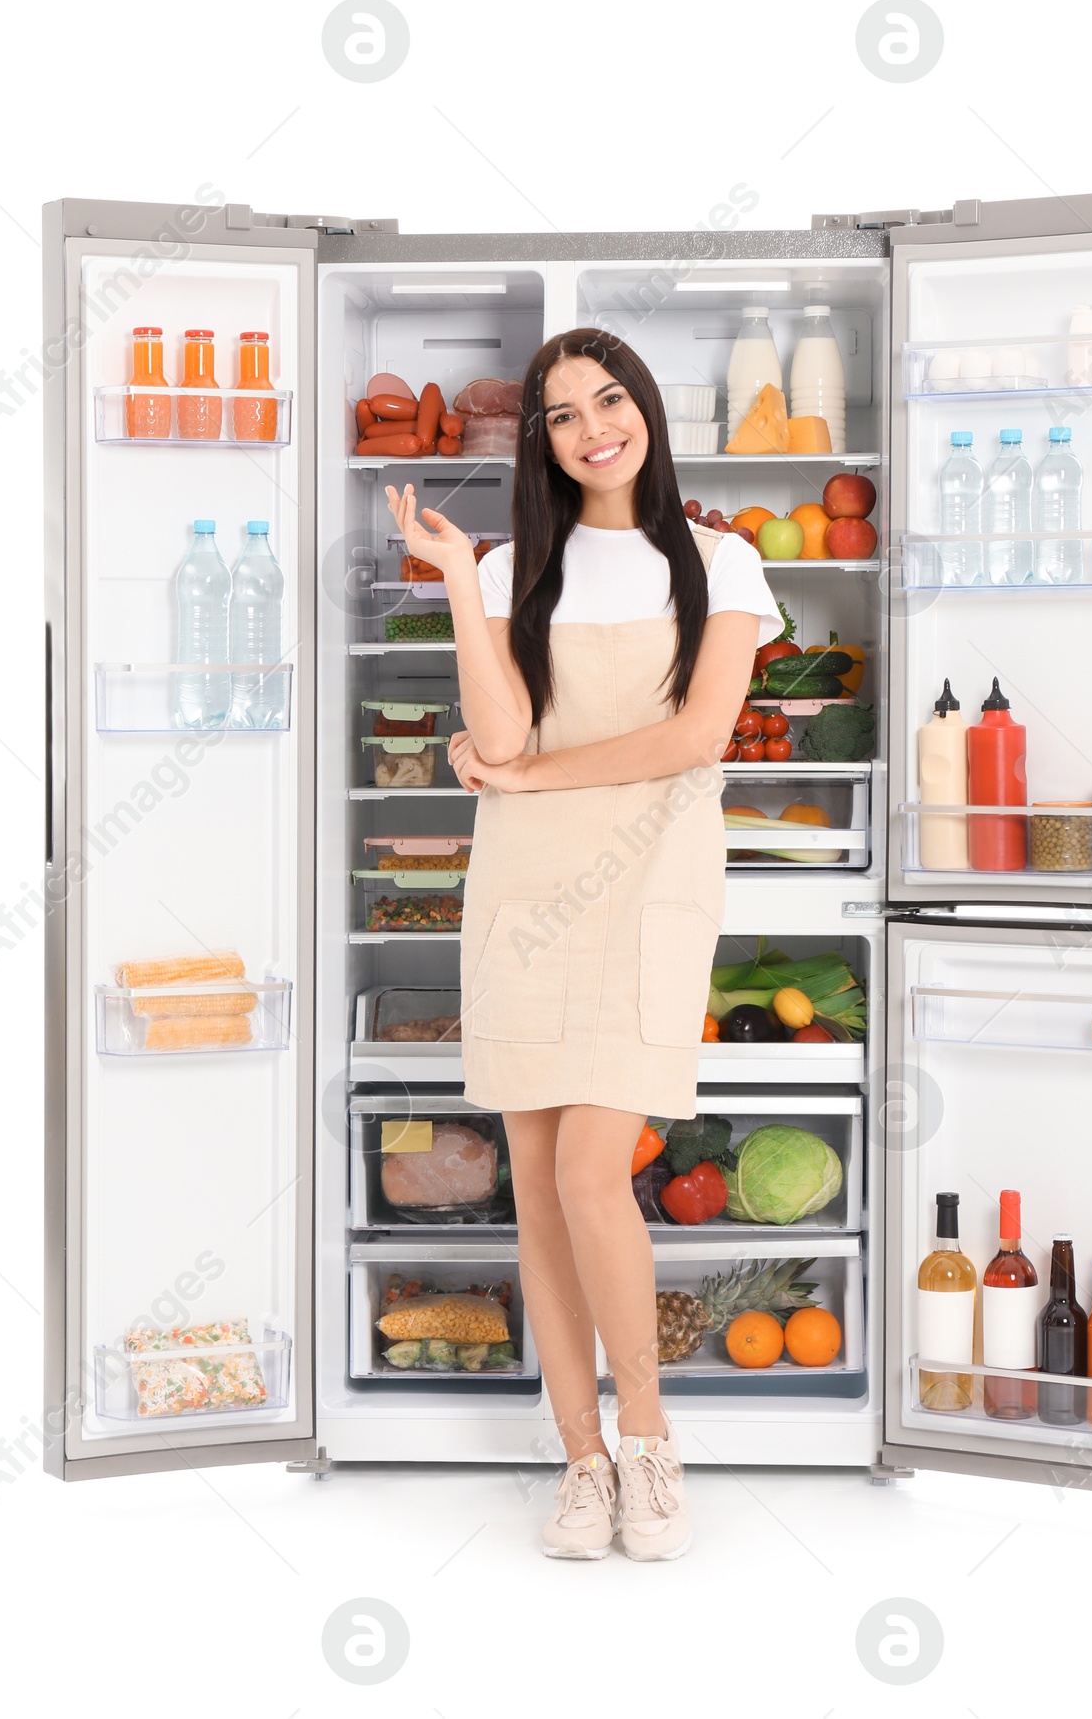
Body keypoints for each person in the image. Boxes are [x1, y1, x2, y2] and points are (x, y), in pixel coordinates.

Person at [384, 328, 780, 1560]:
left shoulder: (724, 563)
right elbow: (495, 733)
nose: (592, 426)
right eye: (561, 414)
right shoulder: (511, 573)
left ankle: (651, 1444)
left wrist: (529, 777)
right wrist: (458, 579)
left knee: (590, 1172)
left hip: (653, 882)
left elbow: (693, 740)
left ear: (643, 409)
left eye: (609, 400)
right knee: (541, 1193)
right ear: (543, 443)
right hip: (526, 894)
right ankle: (582, 1465)